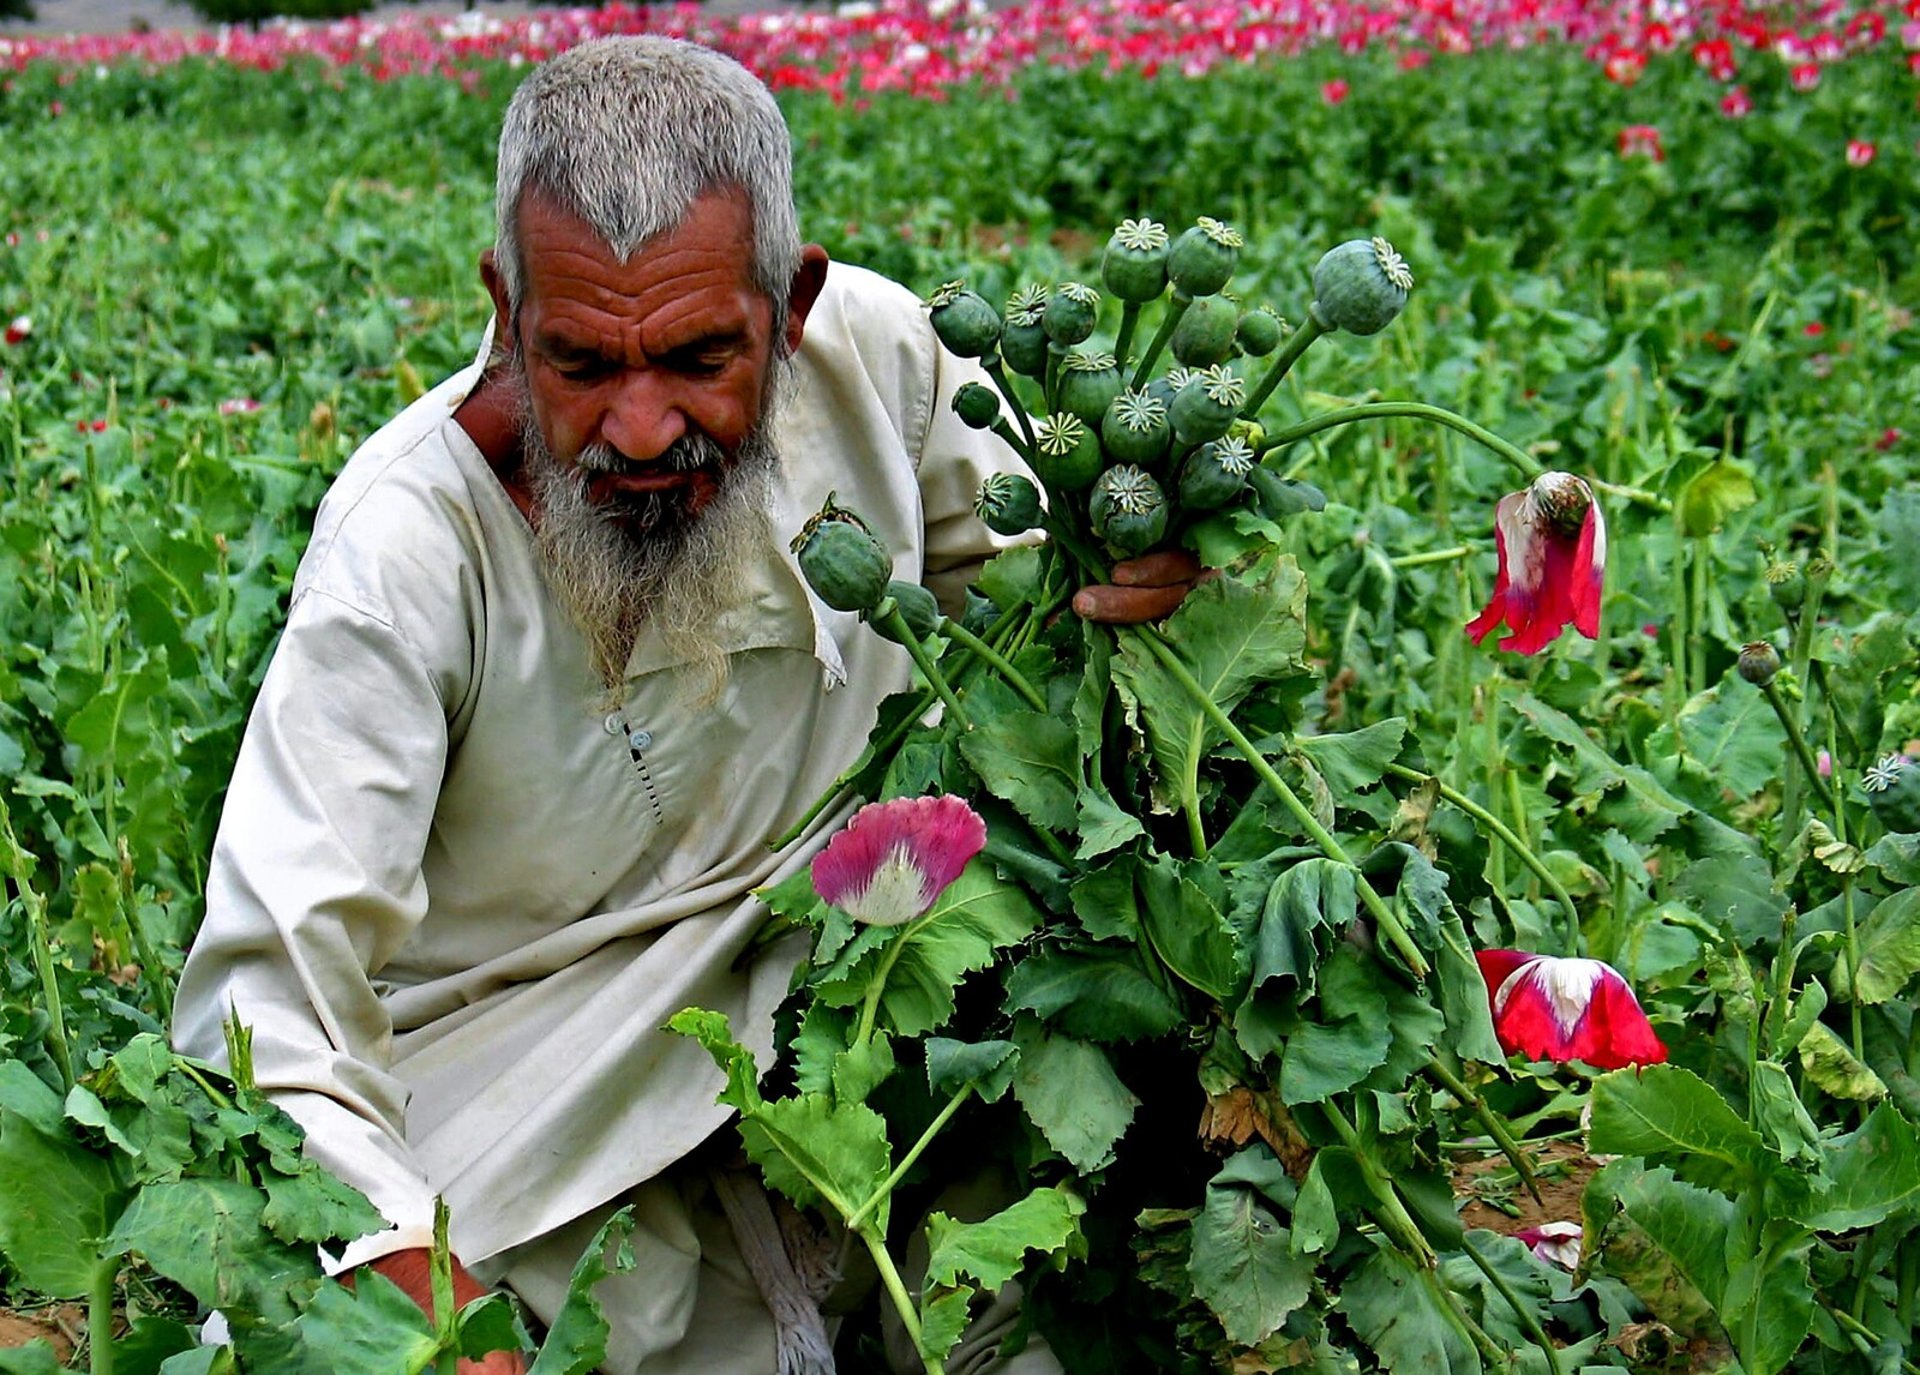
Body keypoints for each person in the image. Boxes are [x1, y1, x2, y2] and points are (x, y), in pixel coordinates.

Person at [173, 35, 1201, 1375]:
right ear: (505, 304)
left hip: (872, 1035)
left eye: (701, 356)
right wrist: (406, 1282)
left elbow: (1032, 589)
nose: (643, 426)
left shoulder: (883, 362)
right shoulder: (406, 550)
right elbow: (271, 998)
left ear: (794, 299)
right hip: (540, 1105)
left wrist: (1132, 570)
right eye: (583, 364)